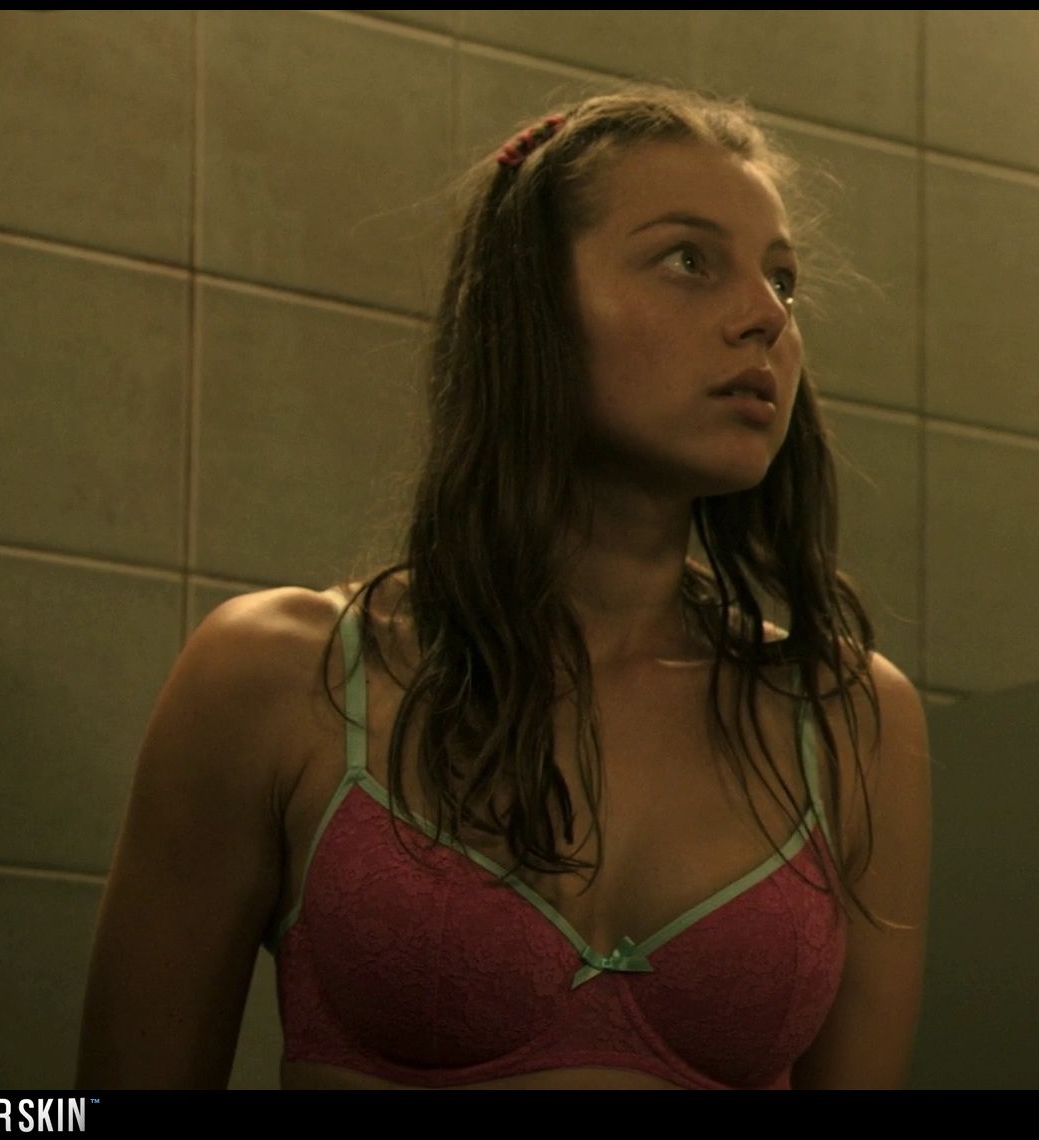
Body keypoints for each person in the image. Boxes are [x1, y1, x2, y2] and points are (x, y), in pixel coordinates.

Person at [74, 85, 932, 1091]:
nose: (764, 319)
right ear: (529, 305)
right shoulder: (277, 677)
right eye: (687, 261)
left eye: (782, 281)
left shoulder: (847, 717)